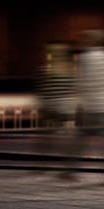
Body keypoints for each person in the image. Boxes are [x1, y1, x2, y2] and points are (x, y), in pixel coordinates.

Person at [69, 29, 104, 185]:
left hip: (90, 106)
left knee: (80, 140)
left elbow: (81, 82)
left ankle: (70, 170)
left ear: (92, 41)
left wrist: (80, 102)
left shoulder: (86, 58)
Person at [37, 43, 76, 171]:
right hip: (65, 108)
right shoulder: (69, 70)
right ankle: (68, 165)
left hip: (51, 106)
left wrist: (42, 105)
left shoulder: (45, 70)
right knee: (69, 139)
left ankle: (42, 164)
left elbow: (42, 90)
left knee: (47, 137)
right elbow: (72, 90)